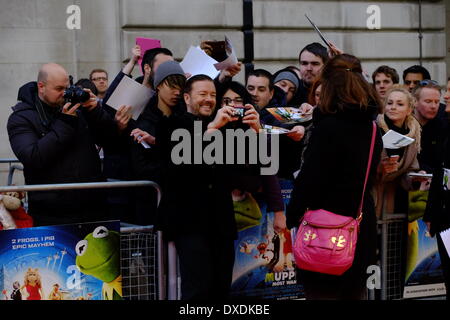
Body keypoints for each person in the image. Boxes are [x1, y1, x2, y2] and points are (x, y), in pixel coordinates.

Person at [286, 54, 383, 300]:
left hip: (325, 229)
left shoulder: (328, 128)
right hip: (360, 226)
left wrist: (292, 215)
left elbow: (310, 179)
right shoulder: (372, 129)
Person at [155, 74, 260, 300]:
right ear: (186, 97)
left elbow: (250, 168)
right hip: (189, 222)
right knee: (197, 290)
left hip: (220, 220)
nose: (209, 100)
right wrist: (211, 129)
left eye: (213, 95)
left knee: (221, 287)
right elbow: (178, 166)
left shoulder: (226, 127)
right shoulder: (171, 125)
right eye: (202, 94)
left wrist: (255, 131)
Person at [7, 63, 118, 226]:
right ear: (41, 87)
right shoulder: (21, 118)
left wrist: (95, 112)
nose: (64, 93)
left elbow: (110, 140)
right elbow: (33, 157)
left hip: (94, 208)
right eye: (59, 89)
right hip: (51, 213)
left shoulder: (78, 109)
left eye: (67, 87)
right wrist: (65, 121)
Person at [373, 87, 422, 219]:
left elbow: (410, 171)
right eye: (389, 103)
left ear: (409, 110)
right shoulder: (373, 128)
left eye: (400, 104)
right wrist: (379, 169)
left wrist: (416, 177)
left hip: (395, 201)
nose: (393, 107)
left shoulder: (412, 134)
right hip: (371, 197)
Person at [423, 90, 450, 300]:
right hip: (444, 218)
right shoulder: (444, 126)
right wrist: (431, 213)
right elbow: (441, 172)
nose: (446, 96)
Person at [413, 80, 447, 173]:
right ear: (415, 101)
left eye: (437, 102)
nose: (433, 106)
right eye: (428, 101)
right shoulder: (404, 126)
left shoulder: (442, 126)